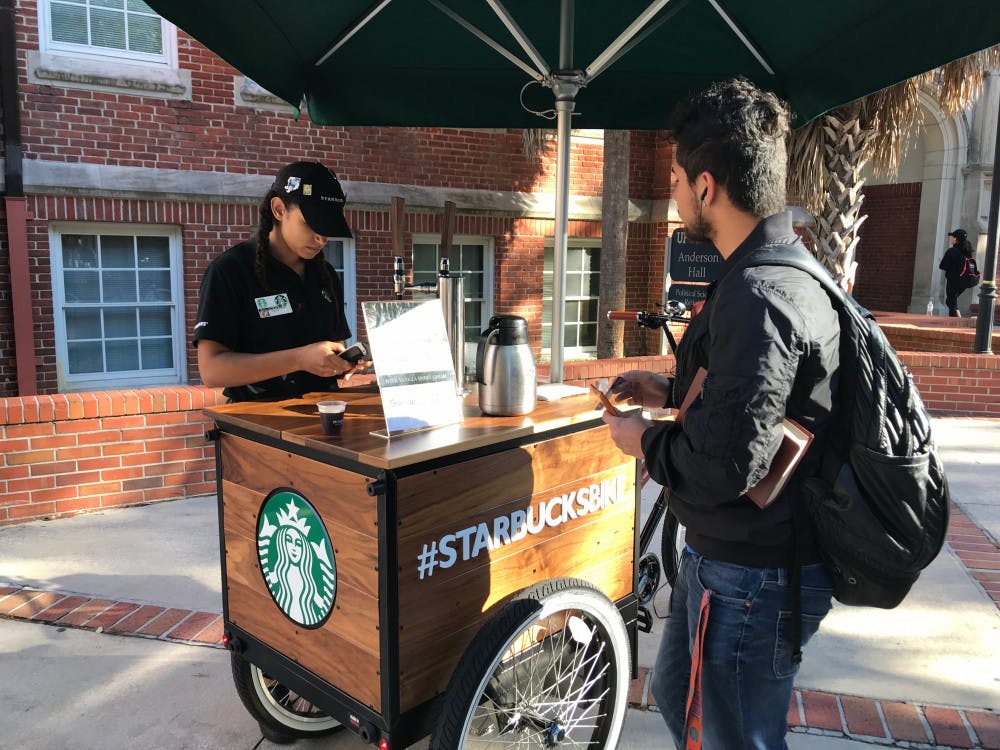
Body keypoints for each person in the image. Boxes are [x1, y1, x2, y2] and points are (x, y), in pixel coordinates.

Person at [602, 78, 841, 749]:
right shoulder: (773, 269)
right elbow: (754, 406)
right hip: (731, 563)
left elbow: (728, 463)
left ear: (706, 186)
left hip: (750, 578)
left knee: (735, 738)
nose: (674, 193)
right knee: (682, 699)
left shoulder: (759, 295)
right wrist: (668, 393)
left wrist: (639, 441)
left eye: (676, 178)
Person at [193, 161, 366, 401]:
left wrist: (342, 362)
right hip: (256, 422)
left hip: (324, 414)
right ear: (278, 209)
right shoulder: (230, 270)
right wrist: (299, 359)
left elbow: (334, 345)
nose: (321, 238)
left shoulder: (325, 274)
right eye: (311, 224)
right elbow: (212, 370)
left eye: (327, 228)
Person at [938, 228, 974, 317]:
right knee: (951, 302)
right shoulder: (967, 250)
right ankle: (958, 320)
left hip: (953, 281)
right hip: (965, 282)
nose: (951, 239)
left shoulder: (952, 251)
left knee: (951, 303)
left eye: (952, 237)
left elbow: (942, 266)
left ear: (956, 239)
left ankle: (955, 323)